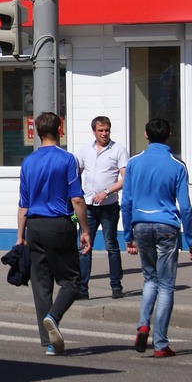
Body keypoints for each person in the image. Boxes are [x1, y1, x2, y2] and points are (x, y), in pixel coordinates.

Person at [121, 117, 192, 358]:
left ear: (146, 135)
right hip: (167, 227)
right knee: (166, 285)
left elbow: (126, 202)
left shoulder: (134, 163)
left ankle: (143, 323)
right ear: (170, 135)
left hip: (141, 225)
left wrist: (128, 235)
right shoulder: (177, 165)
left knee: (149, 279)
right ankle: (161, 343)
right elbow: (184, 207)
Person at [16, 111, 91, 355]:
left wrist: (20, 235)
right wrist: (85, 229)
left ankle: (49, 342)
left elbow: (23, 203)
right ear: (60, 130)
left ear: (37, 133)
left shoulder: (28, 162)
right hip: (59, 224)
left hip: (34, 226)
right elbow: (77, 198)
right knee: (72, 281)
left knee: (41, 283)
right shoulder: (67, 159)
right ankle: (53, 317)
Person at [76, 115, 129, 299]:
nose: (104, 134)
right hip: (88, 206)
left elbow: (125, 178)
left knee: (111, 245)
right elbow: (76, 174)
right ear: (94, 132)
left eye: (107, 130)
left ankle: (116, 286)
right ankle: (82, 288)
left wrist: (107, 191)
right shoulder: (85, 151)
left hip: (109, 206)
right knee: (84, 246)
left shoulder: (118, 150)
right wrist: (76, 197)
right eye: (101, 130)